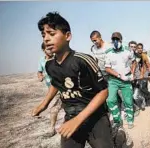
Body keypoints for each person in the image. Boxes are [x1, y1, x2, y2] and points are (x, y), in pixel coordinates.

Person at [31, 12, 114, 148]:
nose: (46, 39)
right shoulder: (49, 65)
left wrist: (78, 120)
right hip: (70, 116)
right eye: (43, 35)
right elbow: (56, 83)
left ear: (67, 36)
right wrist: (44, 104)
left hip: (95, 117)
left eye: (51, 34)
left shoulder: (82, 60)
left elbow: (103, 92)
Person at [105, 32, 136, 129]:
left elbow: (134, 62)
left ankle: (130, 120)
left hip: (126, 79)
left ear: (121, 40)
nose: (115, 41)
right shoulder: (108, 52)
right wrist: (119, 75)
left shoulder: (128, 51)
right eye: (113, 39)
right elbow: (107, 68)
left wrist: (132, 73)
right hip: (114, 80)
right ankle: (117, 120)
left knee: (128, 101)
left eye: (117, 39)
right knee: (110, 100)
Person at [37, 42, 62, 137]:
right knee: (55, 109)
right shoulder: (41, 61)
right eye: (48, 48)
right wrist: (40, 77)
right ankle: (52, 128)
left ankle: (52, 129)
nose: (50, 50)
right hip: (50, 90)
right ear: (43, 50)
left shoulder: (57, 59)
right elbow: (39, 71)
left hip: (60, 88)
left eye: (51, 48)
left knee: (54, 109)